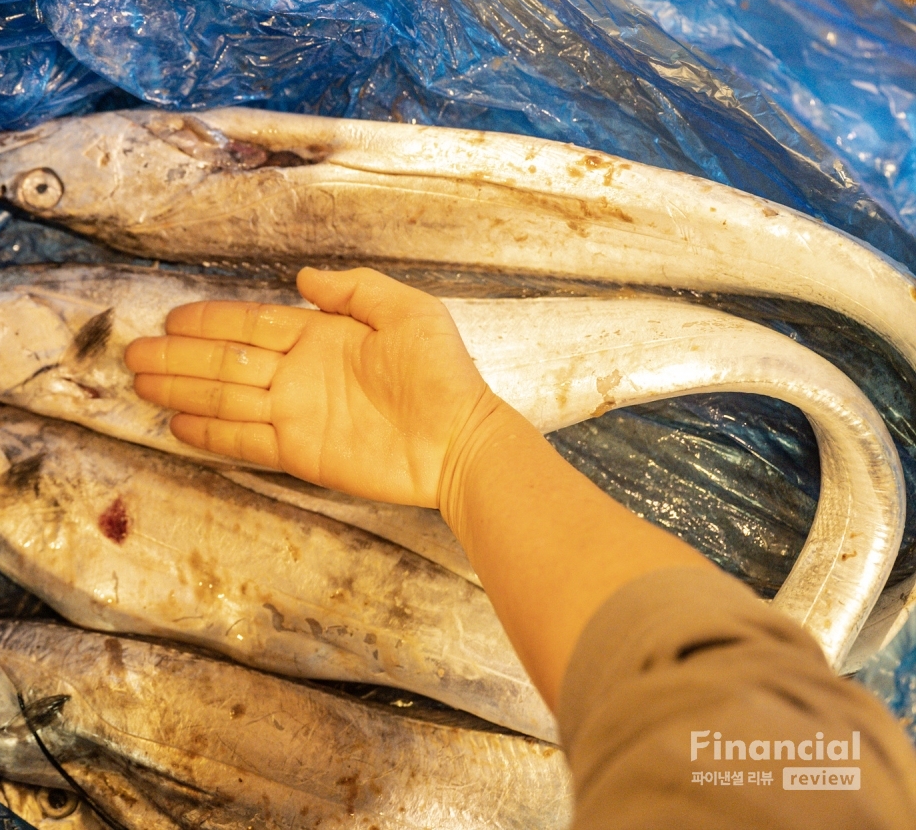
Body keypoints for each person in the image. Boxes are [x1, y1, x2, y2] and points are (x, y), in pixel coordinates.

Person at [124, 266, 916, 828]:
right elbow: (749, 739)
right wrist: (462, 450)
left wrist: (467, 451)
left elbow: (748, 734)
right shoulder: (814, 785)